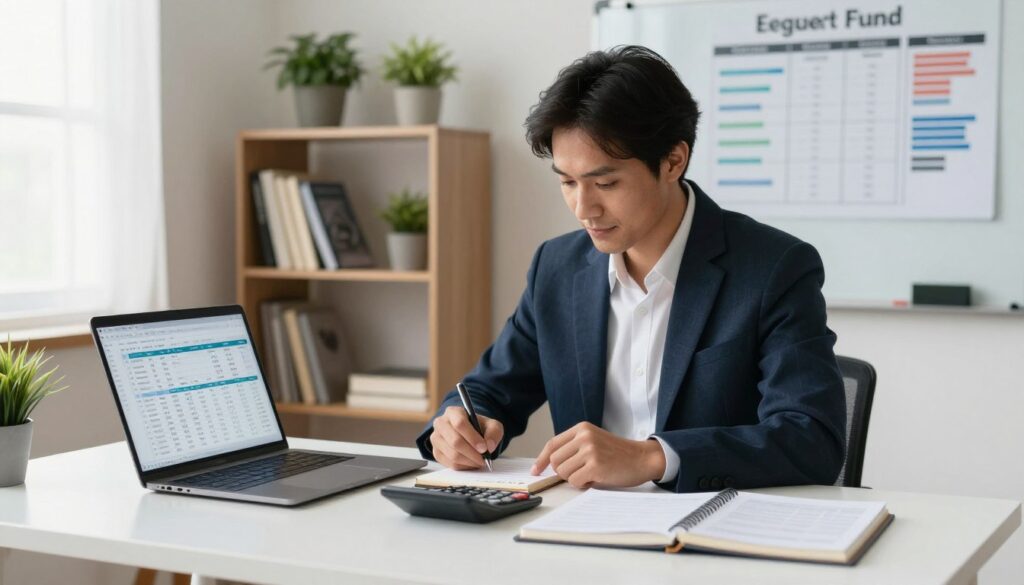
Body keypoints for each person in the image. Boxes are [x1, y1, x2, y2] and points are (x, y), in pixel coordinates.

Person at [415, 45, 846, 493]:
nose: (584, 208)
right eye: (567, 182)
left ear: (673, 161)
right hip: (580, 528)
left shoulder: (773, 268)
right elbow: (489, 391)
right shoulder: (557, 268)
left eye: (606, 183)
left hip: (712, 530)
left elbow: (811, 437)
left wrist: (653, 457)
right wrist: (460, 427)